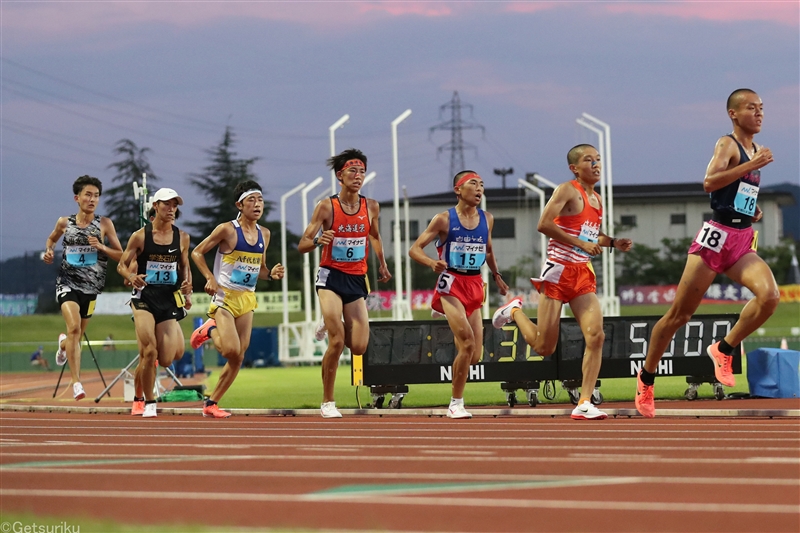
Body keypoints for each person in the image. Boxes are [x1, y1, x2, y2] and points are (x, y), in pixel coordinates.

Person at [635, 89, 779, 418]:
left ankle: (724, 348)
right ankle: (646, 378)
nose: (759, 114)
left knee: (769, 297)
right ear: (733, 113)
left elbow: (735, 192)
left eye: (761, 108)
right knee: (678, 316)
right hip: (716, 238)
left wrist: (750, 208)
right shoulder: (727, 144)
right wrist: (752, 165)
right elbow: (709, 183)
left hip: (742, 239)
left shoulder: (754, 149)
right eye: (751, 108)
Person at [492, 144, 632, 420]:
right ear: (574, 168)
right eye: (588, 160)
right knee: (545, 347)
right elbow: (544, 224)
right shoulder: (567, 190)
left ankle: (584, 402)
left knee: (596, 335)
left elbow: (592, 235)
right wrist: (580, 242)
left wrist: (613, 242)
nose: (595, 164)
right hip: (557, 272)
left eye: (598, 160)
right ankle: (514, 311)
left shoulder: (598, 200)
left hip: (582, 274)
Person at [298, 149, 391, 418]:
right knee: (337, 342)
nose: (358, 176)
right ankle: (328, 402)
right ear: (340, 175)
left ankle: (330, 322)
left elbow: (374, 235)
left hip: (356, 278)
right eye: (353, 171)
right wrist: (318, 241)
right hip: (330, 277)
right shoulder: (326, 206)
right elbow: (303, 243)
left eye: (362, 171)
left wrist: (382, 263)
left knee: (359, 346)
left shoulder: (371, 206)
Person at [409, 170, 509, 419]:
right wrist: (432, 263)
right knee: (465, 343)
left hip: (475, 283)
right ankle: (456, 402)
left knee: (474, 355)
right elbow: (414, 249)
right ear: (458, 190)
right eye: (473, 184)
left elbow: (487, 250)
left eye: (482, 185)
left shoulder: (487, 218)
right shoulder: (443, 219)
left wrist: (497, 275)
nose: (479, 189)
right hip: (451, 283)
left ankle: (446, 314)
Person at [189, 181, 285, 419]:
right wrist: (209, 278)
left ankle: (211, 403)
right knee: (231, 349)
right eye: (251, 200)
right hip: (224, 296)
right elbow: (197, 252)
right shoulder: (227, 230)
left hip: (247, 298)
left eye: (260, 200)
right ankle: (210, 329)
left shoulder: (265, 234)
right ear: (239, 205)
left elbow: (259, 269)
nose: (257, 205)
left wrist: (271, 274)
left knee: (239, 356)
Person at [43, 175, 123, 400]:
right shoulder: (64, 222)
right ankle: (77, 383)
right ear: (77, 198)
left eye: (96, 196)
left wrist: (102, 247)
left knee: (75, 337)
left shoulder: (104, 224)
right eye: (88, 195)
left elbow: (122, 255)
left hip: (92, 287)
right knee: (75, 328)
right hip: (67, 283)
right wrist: (49, 251)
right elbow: (51, 240)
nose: (92, 199)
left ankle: (62, 345)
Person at [117, 188, 192, 418]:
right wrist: (131, 277)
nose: (171, 209)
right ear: (156, 206)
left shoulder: (183, 237)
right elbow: (121, 266)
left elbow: (184, 266)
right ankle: (147, 401)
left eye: (175, 205)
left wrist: (187, 287)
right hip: (144, 299)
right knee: (149, 352)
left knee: (168, 357)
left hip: (168, 299)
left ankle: (143, 384)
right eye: (167, 204)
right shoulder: (140, 236)